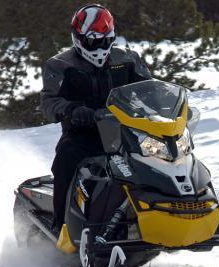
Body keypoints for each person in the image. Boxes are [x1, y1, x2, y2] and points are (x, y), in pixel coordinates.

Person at [40, 3, 151, 233]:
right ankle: (62, 226)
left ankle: (184, 214)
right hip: (83, 134)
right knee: (66, 159)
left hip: (126, 132)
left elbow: (149, 90)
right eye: (93, 41)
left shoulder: (129, 60)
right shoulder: (60, 65)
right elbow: (49, 101)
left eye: (105, 40)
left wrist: (161, 108)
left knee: (169, 159)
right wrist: (72, 109)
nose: (99, 46)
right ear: (79, 38)